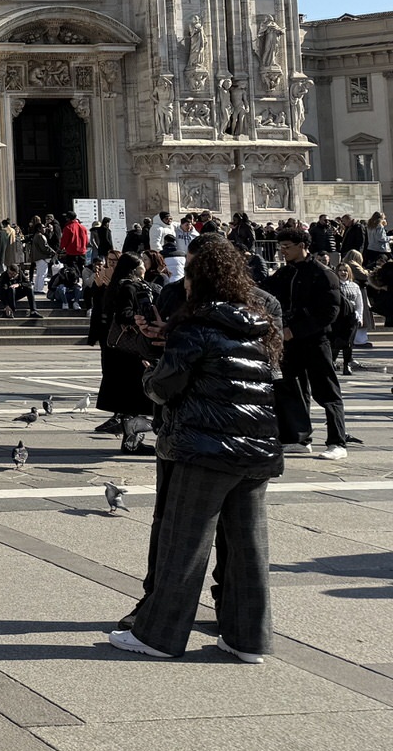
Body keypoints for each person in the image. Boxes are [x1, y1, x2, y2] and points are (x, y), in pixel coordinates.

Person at [112, 237, 282, 662]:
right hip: (256, 450)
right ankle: (247, 640)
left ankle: (159, 636)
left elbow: (166, 386)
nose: (183, 281)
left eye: (189, 274)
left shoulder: (196, 325)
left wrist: (151, 376)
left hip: (205, 448)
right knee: (248, 549)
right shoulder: (256, 323)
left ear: (200, 280)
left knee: (183, 544)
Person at [261, 225, 350, 460]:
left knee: (327, 390)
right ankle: (298, 438)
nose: (282, 252)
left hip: (315, 340)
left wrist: (295, 330)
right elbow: (265, 293)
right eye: (280, 247)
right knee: (289, 388)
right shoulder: (284, 273)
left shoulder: (323, 274)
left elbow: (329, 311)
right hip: (290, 342)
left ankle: (337, 442)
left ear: (302, 246)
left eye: (287, 247)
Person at [96, 254, 159, 438]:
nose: (144, 267)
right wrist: (142, 319)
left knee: (129, 399)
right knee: (133, 397)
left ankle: (130, 437)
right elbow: (124, 314)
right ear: (135, 268)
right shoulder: (129, 286)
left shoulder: (118, 284)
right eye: (142, 264)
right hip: (129, 349)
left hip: (119, 349)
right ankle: (131, 439)